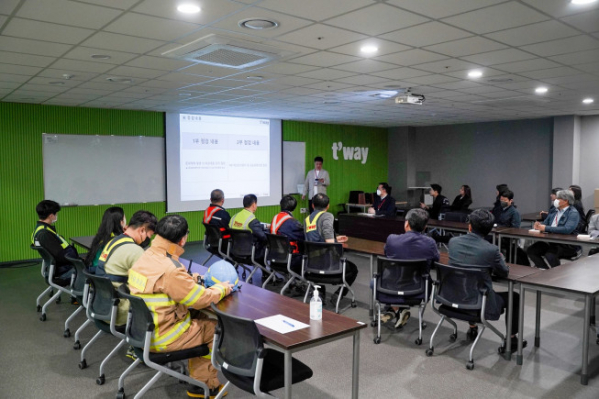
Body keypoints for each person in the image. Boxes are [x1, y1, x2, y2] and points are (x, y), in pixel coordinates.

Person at [128, 215, 233, 398]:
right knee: (217, 329)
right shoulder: (171, 269)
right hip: (164, 336)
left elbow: (167, 284)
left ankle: (198, 377)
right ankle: (203, 386)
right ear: (183, 238)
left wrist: (191, 280)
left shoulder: (147, 255)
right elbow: (201, 299)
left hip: (143, 329)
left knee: (202, 318)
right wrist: (221, 288)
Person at [448, 209, 526, 350]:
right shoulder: (491, 250)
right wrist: (500, 259)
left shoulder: (453, 242)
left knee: (469, 286)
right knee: (514, 297)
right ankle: (512, 340)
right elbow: (503, 272)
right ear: (489, 230)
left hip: (452, 298)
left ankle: (472, 327)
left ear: (469, 226)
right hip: (479, 304)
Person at [95, 210, 157, 326]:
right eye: (149, 236)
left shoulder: (114, 241)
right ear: (142, 230)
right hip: (119, 311)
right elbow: (152, 281)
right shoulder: (135, 250)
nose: (148, 239)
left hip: (101, 304)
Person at [383, 208, 440, 328]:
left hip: (392, 285)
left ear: (407, 223)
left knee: (375, 281)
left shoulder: (392, 239)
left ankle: (396, 309)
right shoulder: (430, 243)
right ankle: (398, 310)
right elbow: (437, 259)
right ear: (425, 227)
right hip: (419, 288)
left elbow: (386, 253)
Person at [304, 193, 358, 302]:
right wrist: (334, 241)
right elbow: (329, 243)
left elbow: (316, 240)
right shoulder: (327, 216)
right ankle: (338, 295)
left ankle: (319, 293)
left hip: (311, 264)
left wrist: (336, 239)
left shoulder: (307, 219)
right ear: (328, 206)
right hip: (328, 265)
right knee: (353, 269)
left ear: (313, 205)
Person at [527, 189, 581, 268]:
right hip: (551, 241)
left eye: (558, 199)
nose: (555, 200)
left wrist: (546, 228)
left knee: (550, 255)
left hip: (566, 244)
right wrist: (539, 226)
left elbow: (567, 229)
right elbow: (545, 224)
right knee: (531, 250)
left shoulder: (573, 213)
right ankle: (544, 271)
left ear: (566, 201)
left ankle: (556, 276)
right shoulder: (554, 211)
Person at [32, 199, 77, 279]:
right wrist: (78, 262)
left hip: (57, 268)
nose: (56, 215)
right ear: (51, 216)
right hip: (64, 270)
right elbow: (62, 257)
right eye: (56, 213)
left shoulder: (40, 229)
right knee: (93, 269)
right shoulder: (44, 234)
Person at [84, 206, 126, 272]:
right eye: (124, 218)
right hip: (102, 273)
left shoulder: (102, 236)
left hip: (93, 272)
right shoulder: (117, 240)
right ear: (121, 222)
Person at [270, 195, 304, 274]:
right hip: (291, 259)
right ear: (294, 207)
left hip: (274, 257)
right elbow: (303, 237)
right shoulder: (293, 223)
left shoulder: (275, 218)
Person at [229, 194, 267, 262]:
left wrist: (265, 226)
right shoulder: (251, 219)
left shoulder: (234, 217)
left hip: (234, 251)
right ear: (253, 204)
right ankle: (266, 272)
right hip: (250, 253)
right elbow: (263, 236)